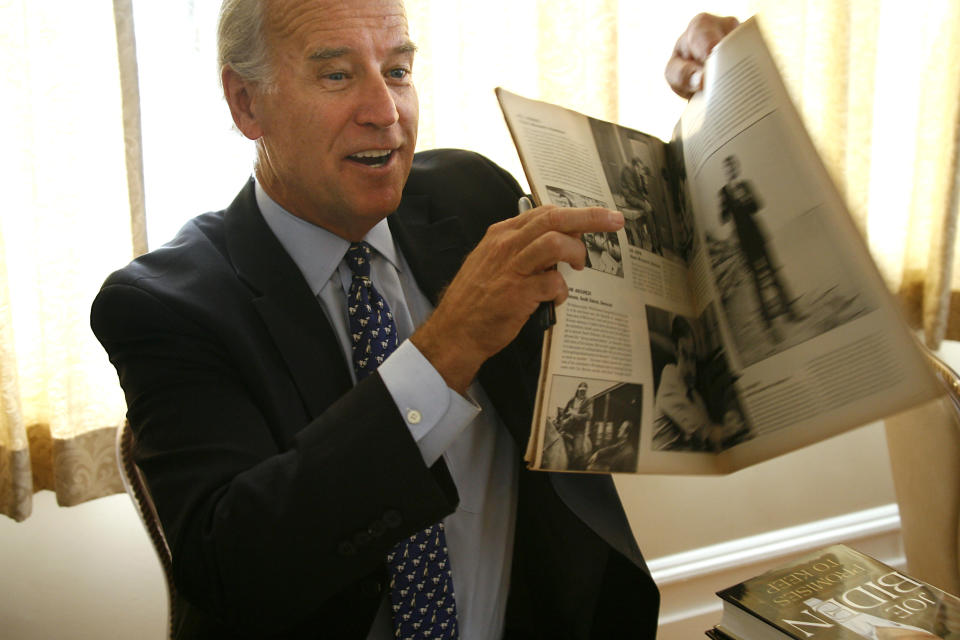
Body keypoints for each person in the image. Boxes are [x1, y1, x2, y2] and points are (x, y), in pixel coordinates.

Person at [91, 2, 738, 637]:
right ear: (246, 103)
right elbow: (232, 572)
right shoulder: (165, 307)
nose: (385, 113)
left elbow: (641, 273)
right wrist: (446, 348)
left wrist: (716, 107)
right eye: (337, 75)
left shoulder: (471, 195)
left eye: (398, 71)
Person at [718, 154, 802, 337]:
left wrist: (745, 198)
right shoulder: (724, 192)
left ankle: (791, 312)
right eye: (727, 168)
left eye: (733, 167)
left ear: (737, 169)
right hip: (744, 243)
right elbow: (723, 218)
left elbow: (758, 205)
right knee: (756, 283)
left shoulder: (745, 185)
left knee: (774, 274)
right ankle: (768, 324)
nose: (730, 171)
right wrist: (727, 205)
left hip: (758, 237)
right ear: (725, 172)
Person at [652, 316, 743, 451]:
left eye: (693, 358)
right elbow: (707, 433)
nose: (690, 368)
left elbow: (712, 435)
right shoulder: (670, 378)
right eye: (684, 356)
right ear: (676, 352)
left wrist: (728, 421)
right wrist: (732, 429)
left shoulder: (693, 393)